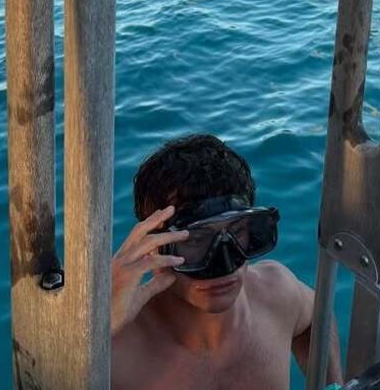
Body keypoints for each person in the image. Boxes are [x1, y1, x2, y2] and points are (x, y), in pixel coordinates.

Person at [111, 134, 343, 390]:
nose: (222, 262)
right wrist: (96, 328)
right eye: (194, 240)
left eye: (236, 231)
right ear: (151, 246)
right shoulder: (115, 352)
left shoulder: (277, 294)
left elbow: (316, 319)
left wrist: (332, 385)